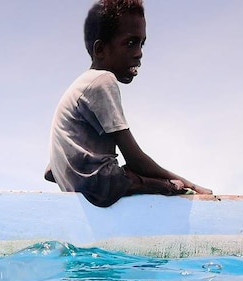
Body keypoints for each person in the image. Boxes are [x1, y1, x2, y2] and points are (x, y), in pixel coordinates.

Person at [44, 0, 212, 207]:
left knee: (128, 172)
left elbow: (50, 172)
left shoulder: (79, 86)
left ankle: (137, 181)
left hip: (78, 187)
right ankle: (157, 185)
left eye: (142, 44)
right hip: (101, 188)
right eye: (131, 43)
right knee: (167, 185)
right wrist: (191, 186)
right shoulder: (102, 80)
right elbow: (136, 159)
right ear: (100, 50)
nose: (139, 53)